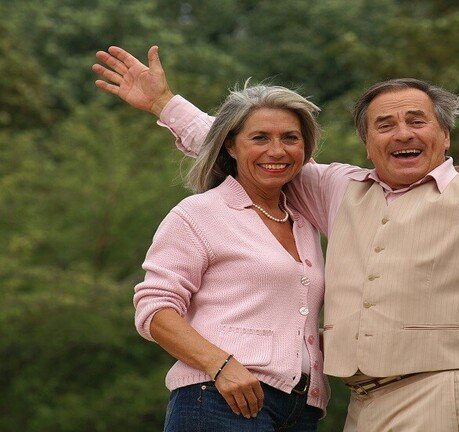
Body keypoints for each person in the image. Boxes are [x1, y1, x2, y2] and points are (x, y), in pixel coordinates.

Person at [94, 45, 459, 431]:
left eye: (416, 121)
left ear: (444, 135)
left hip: (446, 392)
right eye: (384, 124)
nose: (402, 133)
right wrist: (165, 104)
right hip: (359, 403)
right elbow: (260, 152)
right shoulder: (335, 189)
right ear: (366, 142)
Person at [130, 80, 330, 431]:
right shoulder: (199, 213)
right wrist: (220, 364)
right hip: (221, 400)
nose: (277, 151)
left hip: (302, 410)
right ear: (230, 145)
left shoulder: (304, 222)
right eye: (260, 138)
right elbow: (155, 310)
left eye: (290, 138)